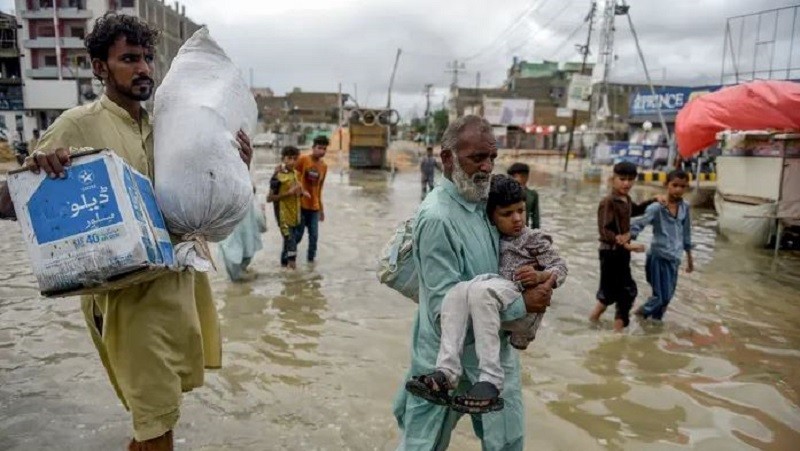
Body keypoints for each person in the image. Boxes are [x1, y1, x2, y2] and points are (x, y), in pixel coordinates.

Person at [1, 13, 253, 450]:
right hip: (125, 300)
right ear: (100, 67)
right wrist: (40, 169)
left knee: (157, 417)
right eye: (129, 59)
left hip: (177, 287)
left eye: (148, 59)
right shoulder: (76, 124)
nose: (144, 69)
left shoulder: (165, 128)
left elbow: (190, 200)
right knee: (157, 424)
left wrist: (233, 166)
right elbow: (13, 202)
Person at [392, 115, 555, 450]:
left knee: (508, 441)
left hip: (492, 352)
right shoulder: (438, 218)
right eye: (477, 158)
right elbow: (443, 310)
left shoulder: (484, 202)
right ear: (448, 159)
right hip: (445, 358)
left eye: (492, 157)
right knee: (423, 443)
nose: (487, 166)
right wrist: (523, 305)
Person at [406, 174, 567, 414]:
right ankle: (446, 372)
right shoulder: (489, 233)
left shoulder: (532, 238)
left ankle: (491, 379)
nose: (517, 219)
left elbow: (560, 267)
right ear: (490, 215)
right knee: (458, 292)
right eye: (507, 214)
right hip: (498, 295)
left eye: (521, 211)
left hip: (518, 296)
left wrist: (541, 276)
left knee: (480, 291)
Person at [589, 162, 661, 332]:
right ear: (613, 179)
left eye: (630, 180)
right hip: (609, 253)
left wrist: (653, 201)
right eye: (622, 179)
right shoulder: (608, 202)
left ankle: (608, 328)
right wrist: (625, 244)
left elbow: (635, 210)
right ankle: (611, 330)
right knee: (619, 292)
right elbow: (605, 230)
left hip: (621, 253)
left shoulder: (626, 199)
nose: (626, 184)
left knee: (618, 293)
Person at [631, 169, 694, 320]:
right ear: (667, 184)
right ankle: (637, 315)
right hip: (658, 257)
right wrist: (627, 241)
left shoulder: (685, 207)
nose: (678, 189)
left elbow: (686, 233)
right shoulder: (657, 208)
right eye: (675, 185)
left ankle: (653, 331)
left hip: (674, 258)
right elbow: (639, 223)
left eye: (682, 186)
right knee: (660, 298)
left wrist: (690, 259)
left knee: (667, 299)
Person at [218, 185, 267, 281]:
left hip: (227, 243)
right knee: (241, 274)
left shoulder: (224, 197)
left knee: (234, 277)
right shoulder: (249, 198)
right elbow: (260, 219)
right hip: (245, 243)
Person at [268, 145, 306, 269]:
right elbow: (269, 198)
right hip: (283, 216)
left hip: (296, 215)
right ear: (283, 159)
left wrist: (301, 192)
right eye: (289, 158)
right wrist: (288, 193)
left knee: (291, 242)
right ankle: (293, 278)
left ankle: (283, 268)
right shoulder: (277, 176)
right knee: (291, 245)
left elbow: (297, 193)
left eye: (295, 159)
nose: (292, 162)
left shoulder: (296, 173)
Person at [295, 135, 328, 263]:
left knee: (314, 237)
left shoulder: (324, 166)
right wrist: (301, 190)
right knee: (298, 235)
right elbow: (293, 175)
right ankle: (289, 255)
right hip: (301, 205)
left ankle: (311, 262)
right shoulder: (303, 159)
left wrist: (321, 209)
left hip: (314, 207)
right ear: (313, 147)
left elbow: (320, 188)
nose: (322, 151)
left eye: (324, 149)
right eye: (319, 148)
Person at [506, 162, 540, 229]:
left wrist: (536, 236)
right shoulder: (505, 192)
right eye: (513, 176)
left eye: (516, 176)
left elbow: (536, 220)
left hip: (523, 230)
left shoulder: (533, 195)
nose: (515, 179)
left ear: (526, 177)